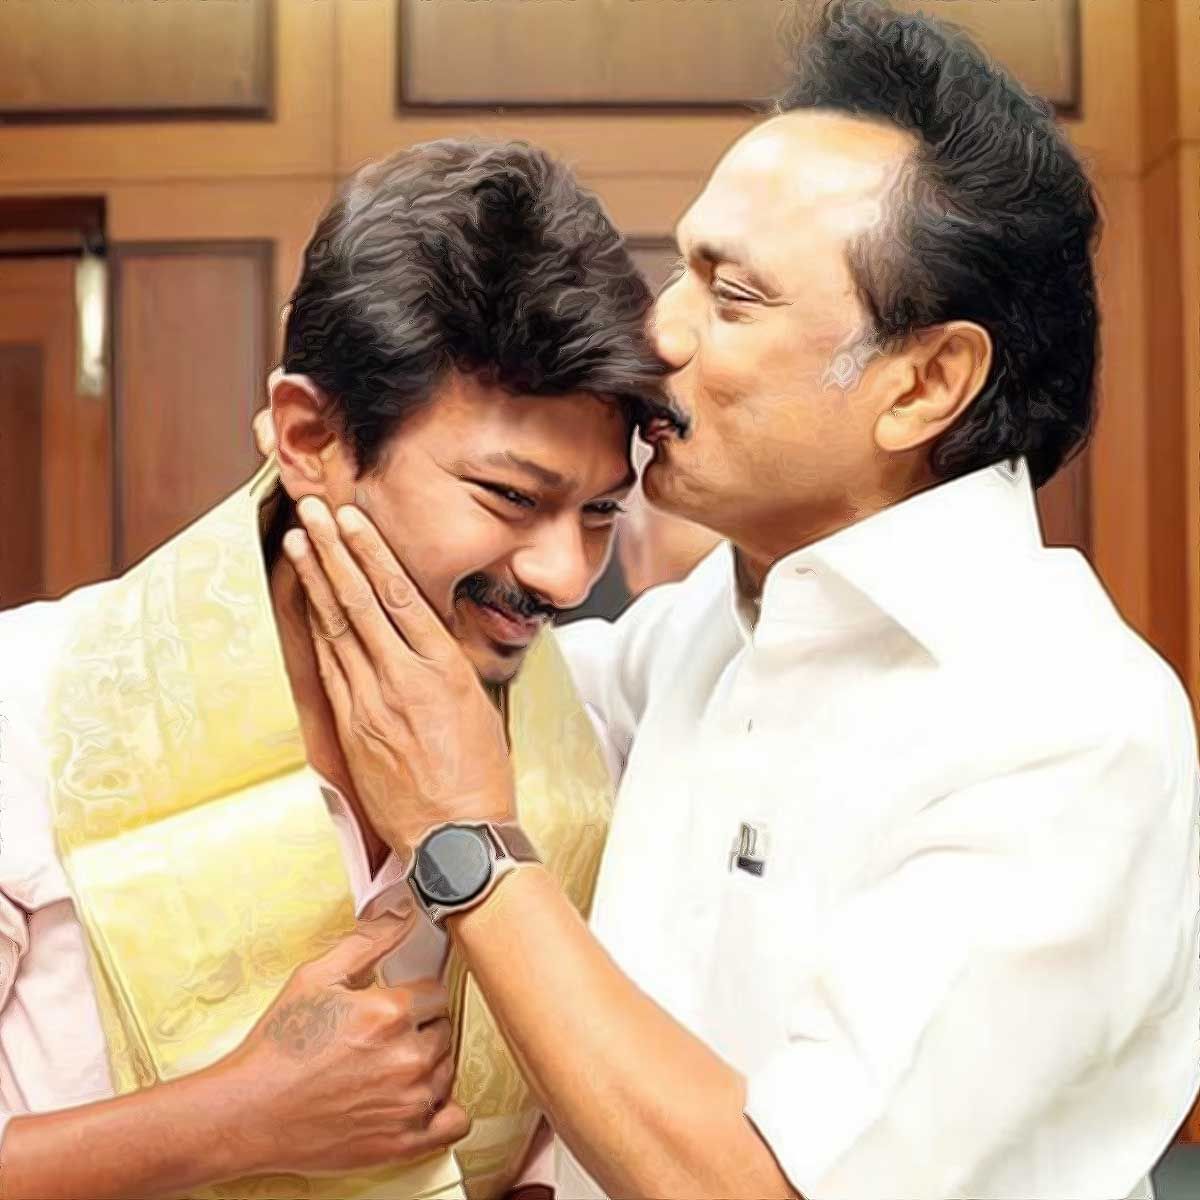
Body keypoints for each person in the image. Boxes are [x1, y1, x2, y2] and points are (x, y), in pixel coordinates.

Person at [282, 3, 1200, 1198]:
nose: (657, 332)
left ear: (924, 383)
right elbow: (439, 684)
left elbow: (766, 1186)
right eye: (683, 269)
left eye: (733, 297)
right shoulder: (704, 629)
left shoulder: (1065, 728)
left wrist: (468, 840)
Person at [0, 138, 666, 1200]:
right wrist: (236, 1118)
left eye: (597, 512)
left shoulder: (587, 738)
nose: (566, 574)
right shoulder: (28, 703)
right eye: (509, 497)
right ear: (310, 436)